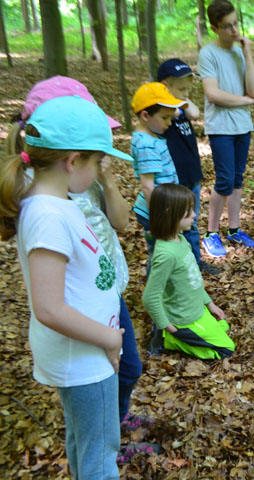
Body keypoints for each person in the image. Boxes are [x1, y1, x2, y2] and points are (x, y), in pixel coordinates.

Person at [5, 77, 154, 459]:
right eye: (96, 161)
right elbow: (49, 307)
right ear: (73, 161)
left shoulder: (58, 202)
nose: (100, 170)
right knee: (98, 456)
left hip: (88, 351)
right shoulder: (48, 216)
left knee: (85, 443)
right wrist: (109, 338)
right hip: (84, 357)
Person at [142, 183, 235, 360]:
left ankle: (196, 332)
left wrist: (209, 304)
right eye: (187, 211)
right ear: (170, 213)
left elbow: (193, 279)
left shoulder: (181, 240)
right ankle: (171, 340)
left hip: (196, 310)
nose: (194, 215)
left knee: (223, 326)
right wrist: (168, 326)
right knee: (226, 349)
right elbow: (150, 297)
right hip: (183, 320)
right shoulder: (166, 254)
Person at [198, 0, 254, 257]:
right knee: (223, 180)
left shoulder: (238, 51)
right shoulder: (208, 54)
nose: (234, 30)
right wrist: (244, 101)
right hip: (220, 126)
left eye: (235, 23)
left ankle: (234, 229)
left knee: (237, 177)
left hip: (242, 125)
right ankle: (211, 233)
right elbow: (213, 94)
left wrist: (247, 53)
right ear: (215, 28)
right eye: (227, 26)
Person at [157, 59, 220, 276]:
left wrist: (182, 96)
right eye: (181, 88)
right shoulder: (162, 109)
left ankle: (195, 260)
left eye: (187, 88)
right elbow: (176, 113)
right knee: (175, 221)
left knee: (191, 220)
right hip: (173, 175)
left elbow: (193, 113)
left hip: (191, 171)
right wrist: (173, 99)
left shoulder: (180, 104)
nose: (185, 93)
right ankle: (176, 265)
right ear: (165, 86)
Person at [130, 82, 186, 269]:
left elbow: (176, 111)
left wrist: (169, 107)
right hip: (158, 212)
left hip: (165, 207)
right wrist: (161, 219)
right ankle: (157, 295)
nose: (170, 123)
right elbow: (147, 185)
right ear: (145, 115)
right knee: (161, 258)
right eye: (165, 118)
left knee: (167, 254)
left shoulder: (149, 134)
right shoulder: (147, 145)